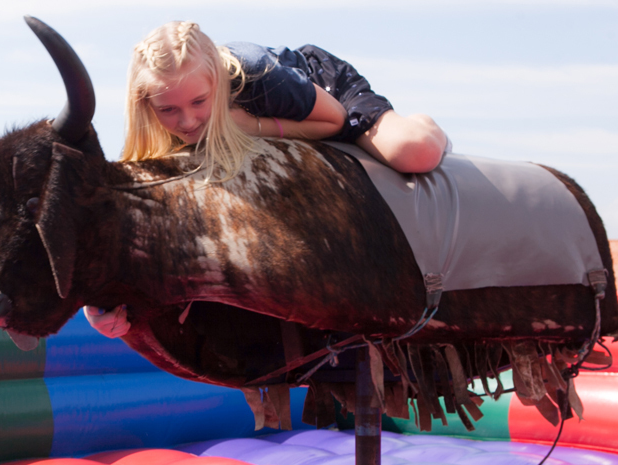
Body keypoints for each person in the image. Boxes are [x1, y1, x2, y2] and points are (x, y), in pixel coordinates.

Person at [85, 21, 450, 339]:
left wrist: (253, 127)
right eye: (168, 109)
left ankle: (421, 125)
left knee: (413, 152)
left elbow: (335, 121)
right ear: (145, 104)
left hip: (319, 95)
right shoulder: (160, 127)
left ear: (217, 83)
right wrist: (96, 303)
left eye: (200, 101)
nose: (187, 121)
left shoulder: (258, 75)